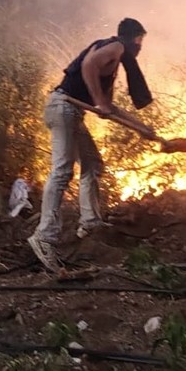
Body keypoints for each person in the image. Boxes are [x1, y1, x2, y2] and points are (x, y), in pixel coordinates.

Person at [28, 17, 155, 271]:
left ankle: (90, 223)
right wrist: (98, 101)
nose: (140, 46)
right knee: (62, 170)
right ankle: (44, 237)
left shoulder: (113, 60)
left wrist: (142, 129)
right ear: (131, 38)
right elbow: (88, 66)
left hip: (70, 111)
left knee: (93, 165)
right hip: (63, 106)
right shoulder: (116, 47)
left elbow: (109, 107)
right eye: (140, 40)